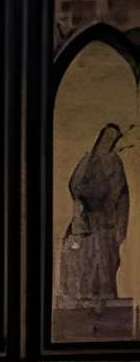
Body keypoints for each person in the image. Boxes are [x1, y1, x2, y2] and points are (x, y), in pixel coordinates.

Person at [61, 121, 131, 309]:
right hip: (87, 219)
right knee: (84, 259)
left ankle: (104, 300)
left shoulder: (115, 162)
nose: (109, 140)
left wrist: (120, 225)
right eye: (107, 135)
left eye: (113, 137)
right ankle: (83, 299)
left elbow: (122, 194)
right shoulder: (88, 159)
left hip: (106, 221)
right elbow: (74, 185)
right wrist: (81, 206)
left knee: (105, 262)